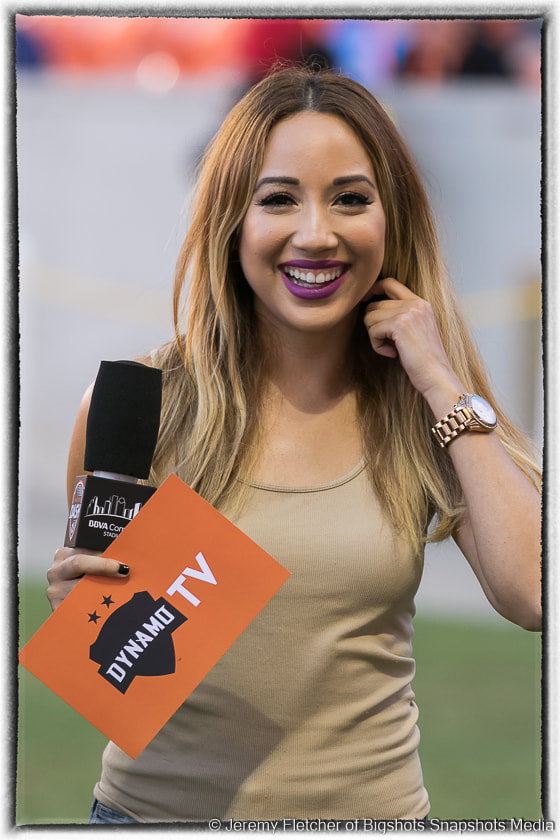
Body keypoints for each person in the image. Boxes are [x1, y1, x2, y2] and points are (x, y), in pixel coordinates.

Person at [46, 65, 542, 824]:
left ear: (391, 217)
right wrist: (82, 612)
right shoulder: (135, 402)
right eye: (278, 199)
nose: (317, 233)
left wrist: (442, 379)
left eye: (351, 198)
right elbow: (106, 660)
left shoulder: (422, 403)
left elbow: (535, 593)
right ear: (230, 221)